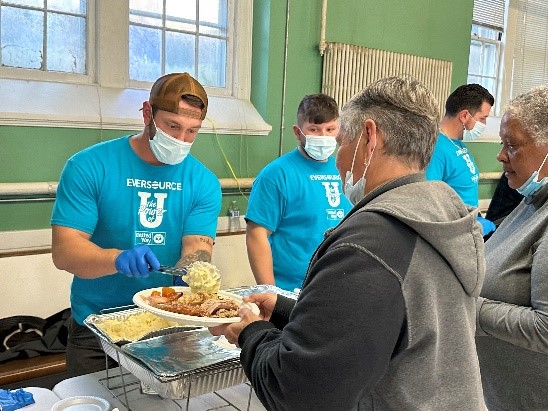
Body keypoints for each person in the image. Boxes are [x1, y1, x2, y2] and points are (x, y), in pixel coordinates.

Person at [211, 77, 487, 410]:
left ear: (369, 137)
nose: (337, 159)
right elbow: (377, 324)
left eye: (341, 141)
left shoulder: (369, 245)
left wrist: (251, 333)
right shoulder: (441, 213)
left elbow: (297, 391)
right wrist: (288, 311)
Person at [51, 72, 222, 377]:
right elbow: (65, 252)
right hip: (98, 325)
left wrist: (191, 274)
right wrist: (116, 258)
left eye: (192, 131)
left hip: (169, 326)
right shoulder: (89, 166)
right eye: (172, 127)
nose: (181, 140)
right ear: (147, 114)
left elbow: (198, 247)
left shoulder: (203, 182)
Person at [475, 84, 548, 410]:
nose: (501, 155)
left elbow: (545, 329)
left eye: (512, 145)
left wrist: (468, 307)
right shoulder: (531, 200)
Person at [245, 94, 352, 292]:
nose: (323, 137)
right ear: (298, 132)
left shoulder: (346, 169)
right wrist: (270, 292)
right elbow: (257, 234)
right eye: (314, 130)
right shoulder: (276, 174)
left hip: (338, 285)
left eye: (330, 130)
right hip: (292, 290)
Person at [426, 83, 496, 235]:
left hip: (472, 223)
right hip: (458, 232)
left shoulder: (458, 144)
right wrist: (466, 228)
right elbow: (430, 204)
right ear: (464, 116)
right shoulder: (436, 148)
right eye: (482, 118)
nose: (483, 125)